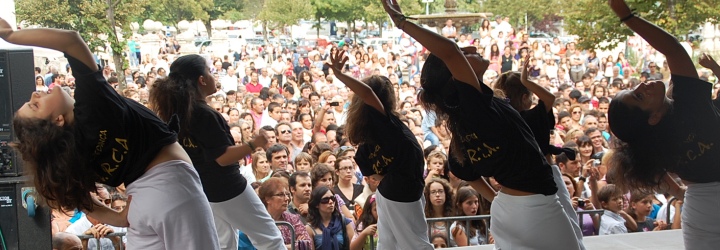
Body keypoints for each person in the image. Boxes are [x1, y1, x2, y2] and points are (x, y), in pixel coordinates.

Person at [380, 1, 580, 249]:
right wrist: (401, 21)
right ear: (457, 74)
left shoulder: (467, 120)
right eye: (465, 53)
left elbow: (465, 171)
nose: (472, 46)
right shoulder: (476, 107)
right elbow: (449, 50)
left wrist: (496, 199)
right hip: (535, 210)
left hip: (509, 209)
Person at [3, 20, 219, 249]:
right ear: (57, 121)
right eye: (34, 106)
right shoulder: (94, 105)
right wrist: (10, 35)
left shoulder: (73, 154)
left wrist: (116, 218)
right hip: (175, 191)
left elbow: (74, 194)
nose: (35, 95)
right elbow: (70, 40)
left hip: (140, 206)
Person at [606, 0, 718, 248]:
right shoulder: (690, 105)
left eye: (633, 88)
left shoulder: (651, 146)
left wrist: (678, 192)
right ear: (652, 118)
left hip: (699, 210)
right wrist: (627, 17)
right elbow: (675, 50)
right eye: (639, 97)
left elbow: (659, 174)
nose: (642, 86)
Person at [149, 54, 284, 250]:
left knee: (223, 244)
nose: (214, 76)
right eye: (210, 72)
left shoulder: (178, 111)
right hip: (228, 188)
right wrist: (254, 144)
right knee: (270, 238)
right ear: (201, 80)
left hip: (204, 189)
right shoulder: (203, 114)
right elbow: (222, 157)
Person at [327, 41, 433, 249]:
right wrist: (340, 75)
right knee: (413, 244)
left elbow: (371, 170)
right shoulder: (385, 125)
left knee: (389, 243)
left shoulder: (374, 129)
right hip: (401, 193)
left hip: (390, 191)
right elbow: (368, 94)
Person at [259, 177, 313, 249]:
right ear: (267, 199)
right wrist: (294, 245)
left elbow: (307, 244)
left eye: (287, 194)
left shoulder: (293, 219)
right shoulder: (260, 220)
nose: (287, 198)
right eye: (281, 195)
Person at [306, 186, 355, 250]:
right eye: (325, 200)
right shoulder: (310, 228)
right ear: (316, 204)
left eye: (333, 198)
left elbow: (355, 247)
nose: (331, 202)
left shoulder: (345, 222)